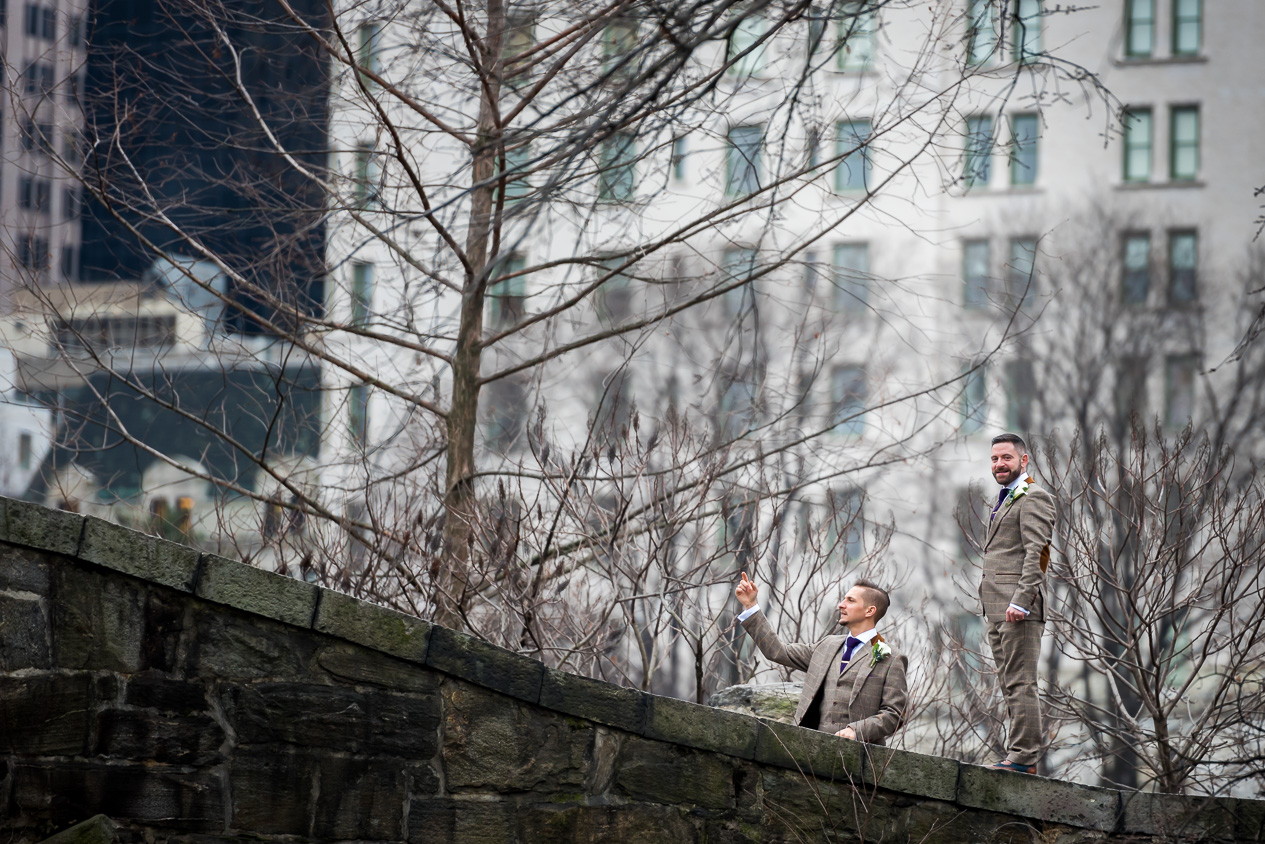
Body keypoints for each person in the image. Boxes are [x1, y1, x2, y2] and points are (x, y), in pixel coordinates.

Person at [733, 573, 907, 744]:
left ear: (870, 610)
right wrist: (751, 606)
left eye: (850, 600)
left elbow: (894, 714)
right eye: (844, 599)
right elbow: (778, 651)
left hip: (861, 755)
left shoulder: (891, 658)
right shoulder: (826, 646)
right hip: (810, 748)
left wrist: (856, 731)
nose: (841, 605)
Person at [980, 432, 1056, 774]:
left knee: (1021, 682)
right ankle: (1019, 755)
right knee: (1010, 684)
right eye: (995, 459)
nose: (999, 464)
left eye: (1006, 458)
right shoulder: (1007, 498)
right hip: (996, 608)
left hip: (1018, 609)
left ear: (1023, 460)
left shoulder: (1035, 497)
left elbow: (1039, 553)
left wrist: (1022, 601)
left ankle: (1024, 758)